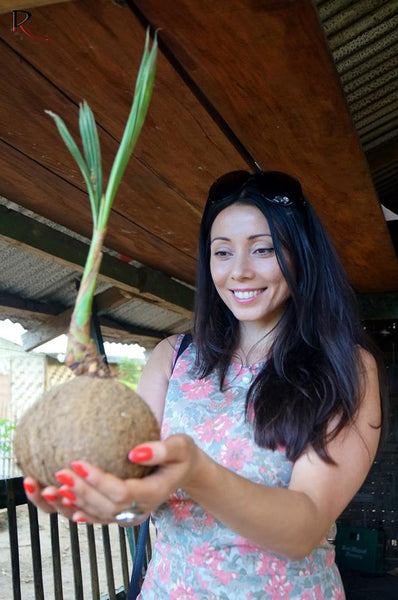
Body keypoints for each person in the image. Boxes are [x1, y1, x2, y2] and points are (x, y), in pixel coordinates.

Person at [24, 170, 386, 599]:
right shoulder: (173, 358)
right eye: (222, 252)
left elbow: (302, 528)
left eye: (264, 249)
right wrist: (113, 503)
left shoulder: (346, 367)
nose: (240, 272)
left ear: (300, 254)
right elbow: (140, 497)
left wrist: (196, 472)